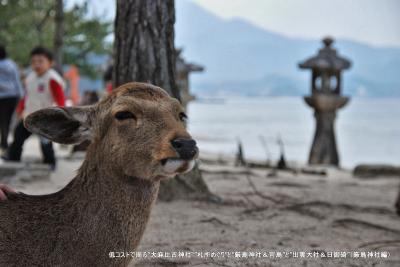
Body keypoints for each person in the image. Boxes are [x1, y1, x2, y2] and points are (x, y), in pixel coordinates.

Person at [2, 46, 65, 170]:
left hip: (45, 118)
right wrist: (20, 108)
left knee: (45, 141)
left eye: (41, 61)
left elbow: (60, 98)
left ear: (50, 63)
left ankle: (49, 162)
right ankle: (13, 157)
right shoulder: (30, 78)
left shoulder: (52, 79)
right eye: (34, 62)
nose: (37, 64)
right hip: (29, 115)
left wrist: (61, 115)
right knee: (18, 135)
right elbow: (26, 95)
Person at [0, 44, 24, 152]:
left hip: (2, 97)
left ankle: (4, 143)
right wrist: (20, 94)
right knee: (8, 120)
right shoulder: (11, 64)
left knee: (3, 120)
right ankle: (5, 142)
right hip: (13, 95)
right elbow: (16, 79)